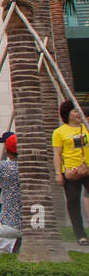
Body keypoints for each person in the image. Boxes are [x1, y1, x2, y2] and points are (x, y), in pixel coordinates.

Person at [53, 99, 89, 246]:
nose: (78, 114)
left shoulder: (86, 127)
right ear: (67, 114)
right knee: (73, 202)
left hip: (87, 168)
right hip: (70, 172)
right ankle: (80, 235)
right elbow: (57, 154)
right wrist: (58, 174)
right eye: (75, 111)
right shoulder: (59, 132)